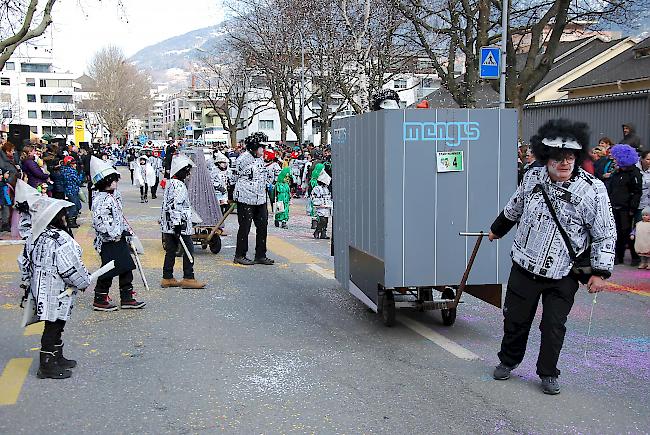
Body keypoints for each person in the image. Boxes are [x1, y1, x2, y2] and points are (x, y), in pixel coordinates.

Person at [488, 119, 616, 395]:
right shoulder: (533, 177)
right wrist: (497, 230)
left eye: (569, 157)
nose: (564, 163)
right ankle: (507, 361)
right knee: (515, 320)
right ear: (546, 157)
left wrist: (600, 272)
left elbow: (605, 233)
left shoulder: (593, 189)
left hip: (564, 272)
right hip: (524, 265)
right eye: (558, 158)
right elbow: (515, 206)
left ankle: (548, 373)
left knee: (554, 326)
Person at [18, 196, 91, 379]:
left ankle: (57, 356)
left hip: (41, 290)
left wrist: (29, 281)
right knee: (54, 325)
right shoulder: (60, 239)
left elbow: (23, 262)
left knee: (55, 323)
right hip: (58, 292)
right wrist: (83, 282)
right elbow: (71, 267)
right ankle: (47, 364)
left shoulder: (35, 236)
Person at [90, 156, 146, 311]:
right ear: (107, 181)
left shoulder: (111, 196)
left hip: (118, 239)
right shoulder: (101, 199)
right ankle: (100, 298)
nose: (117, 182)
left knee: (126, 267)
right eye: (114, 179)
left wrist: (124, 231)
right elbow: (100, 223)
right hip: (109, 241)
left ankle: (127, 298)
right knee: (108, 270)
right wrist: (116, 233)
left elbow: (117, 218)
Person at [160, 154, 206, 289]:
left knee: (170, 251)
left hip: (168, 225)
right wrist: (178, 224)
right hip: (179, 224)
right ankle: (188, 277)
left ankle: (167, 277)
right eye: (188, 170)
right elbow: (176, 205)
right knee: (188, 250)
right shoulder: (179, 185)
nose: (189, 173)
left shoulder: (170, 183)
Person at [233, 132, 274, 266]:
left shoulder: (260, 159)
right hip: (245, 198)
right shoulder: (243, 159)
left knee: (263, 226)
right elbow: (234, 177)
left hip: (260, 198)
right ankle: (240, 255)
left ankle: (260, 255)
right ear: (254, 147)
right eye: (261, 147)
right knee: (245, 227)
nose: (264, 150)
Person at [607, 144, 643, 266]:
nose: (615, 160)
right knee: (615, 232)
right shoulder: (616, 173)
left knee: (626, 232)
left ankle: (635, 257)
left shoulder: (634, 173)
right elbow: (611, 188)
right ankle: (618, 256)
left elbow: (637, 192)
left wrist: (632, 208)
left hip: (626, 208)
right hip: (615, 205)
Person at [310, 163, 332, 239]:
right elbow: (313, 197)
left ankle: (323, 233)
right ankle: (317, 230)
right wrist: (319, 203)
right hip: (320, 207)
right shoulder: (317, 188)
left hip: (326, 207)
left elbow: (329, 197)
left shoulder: (326, 189)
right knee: (322, 220)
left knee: (326, 221)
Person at [60, 156, 83, 229]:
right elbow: (78, 181)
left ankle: (72, 221)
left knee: (74, 206)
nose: (75, 165)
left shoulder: (63, 170)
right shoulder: (72, 171)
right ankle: (71, 222)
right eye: (74, 164)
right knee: (75, 207)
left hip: (67, 191)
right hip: (73, 191)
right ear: (70, 164)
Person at [636, 150, 650, 222]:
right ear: (641, 159)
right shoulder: (634, 169)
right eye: (648, 159)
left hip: (646, 203)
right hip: (635, 202)